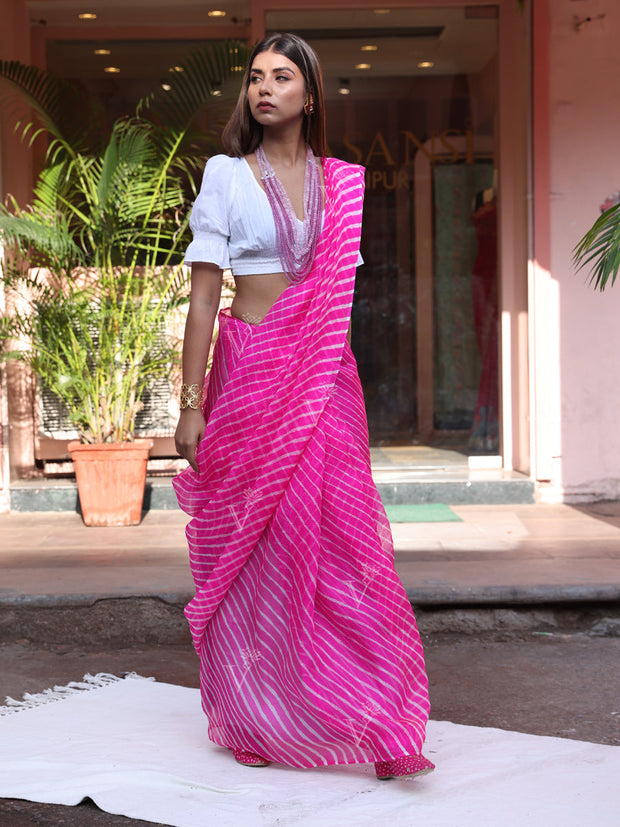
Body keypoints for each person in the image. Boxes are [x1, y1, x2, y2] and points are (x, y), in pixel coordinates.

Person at [173, 32, 434, 781]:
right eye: (256, 77)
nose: (264, 88)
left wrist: (324, 379)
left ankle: (383, 720)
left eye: (282, 77)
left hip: (322, 378)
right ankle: (261, 712)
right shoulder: (226, 176)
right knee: (267, 547)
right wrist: (190, 405)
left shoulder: (341, 183)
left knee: (349, 545)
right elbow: (201, 301)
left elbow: (335, 305)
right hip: (250, 369)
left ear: (309, 95)